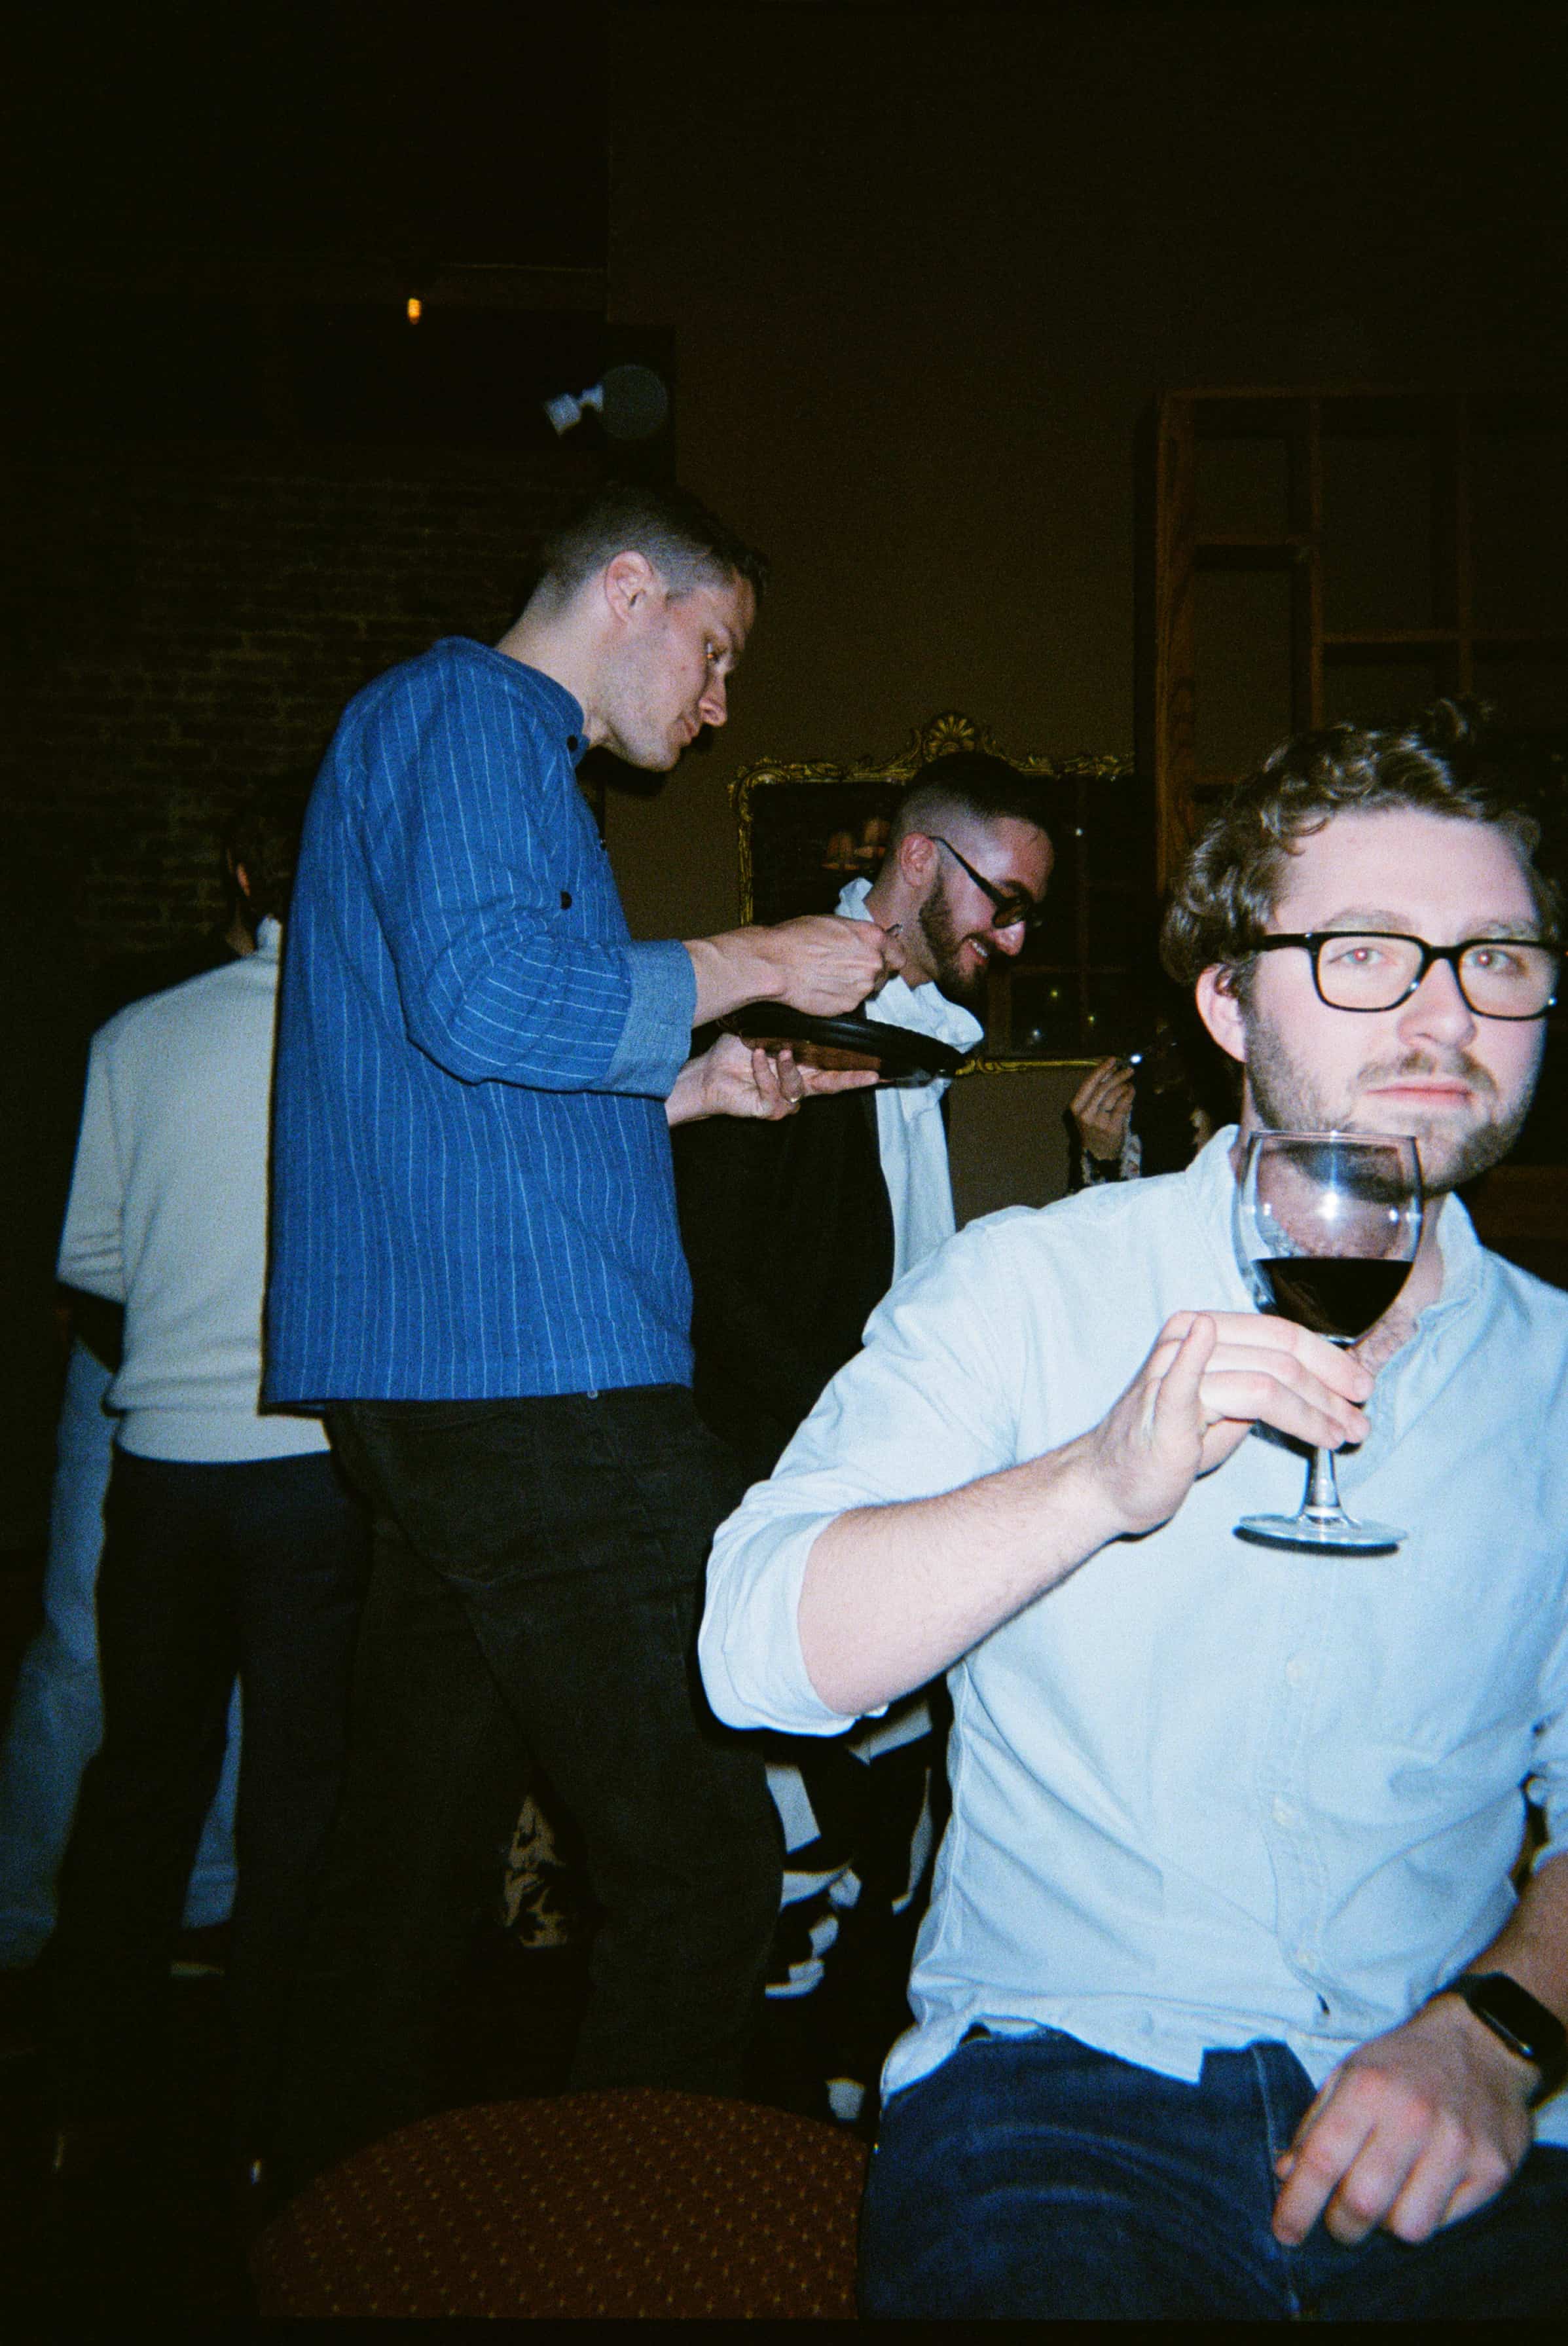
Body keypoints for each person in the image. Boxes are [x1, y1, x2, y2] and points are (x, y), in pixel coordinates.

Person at [700, 699, 1568, 2321]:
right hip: (1061, 2098)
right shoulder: (1028, 1286)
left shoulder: (1561, 1379)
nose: (1444, 1011)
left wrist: (1499, 2029)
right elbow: (753, 1650)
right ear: (1229, 1002)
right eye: (1368, 950)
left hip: (1449, 2097)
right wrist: (1097, 1480)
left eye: (1496, 957)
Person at [265, 481, 900, 2190]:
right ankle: (625, 2243)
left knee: (413, 1843)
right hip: (536, 1385)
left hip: (455, 1378)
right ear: (628, 589)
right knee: (702, 1859)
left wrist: (691, 1086)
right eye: (712, 653)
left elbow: (471, 1055)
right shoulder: (473, 712)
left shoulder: (450, 737)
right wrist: (765, 952)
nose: (717, 705)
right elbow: (486, 1002)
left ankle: (326, 2197)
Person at [674, 752, 1051, 2110]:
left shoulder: (924, 1024)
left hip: (886, 1418)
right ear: (914, 862)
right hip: (777, 1432)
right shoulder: (781, 994)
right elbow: (712, 1265)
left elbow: (910, 1243)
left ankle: (855, 2004)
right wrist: (828, 1429)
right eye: (1000, 900)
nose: (1010, 937)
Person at [46, 790, 369, 2184]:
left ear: (241, 874)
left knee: (141, 1784)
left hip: (162, 1477)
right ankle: (269, 2135)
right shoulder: (371, 1039)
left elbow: (94, 1269)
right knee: (302, 1800)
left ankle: (83, 2099)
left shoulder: (136, 1036)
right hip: (313, 1474)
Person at [0, 789, 297, 2006]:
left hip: (254, 1382)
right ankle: (24, 1908)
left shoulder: (329, 1011)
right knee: (82, 1648)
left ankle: (205, 1904)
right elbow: (80, 1221)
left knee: (218, 1672)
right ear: (243, 870)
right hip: (130, 1364)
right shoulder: (142, 1004)